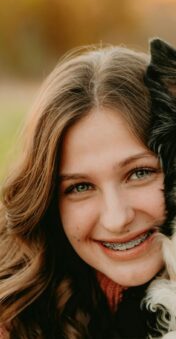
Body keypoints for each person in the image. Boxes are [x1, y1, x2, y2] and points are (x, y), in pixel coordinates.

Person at [0, 45, 165, 338]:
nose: (117, 219)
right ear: (49, 199)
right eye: (80, 187)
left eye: (139, 173)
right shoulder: (12, 313)